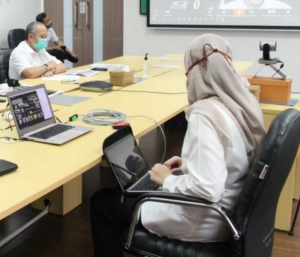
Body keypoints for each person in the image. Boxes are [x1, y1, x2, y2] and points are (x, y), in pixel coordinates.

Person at [90, 34, 266, 257]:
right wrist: (191, 162)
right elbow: (234, 153)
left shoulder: (204, 114)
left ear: (195, 70)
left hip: (205, 217)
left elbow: (208, 189)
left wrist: (167, 180)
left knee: (102, 203)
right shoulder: (241, 103)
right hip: (232, 206)